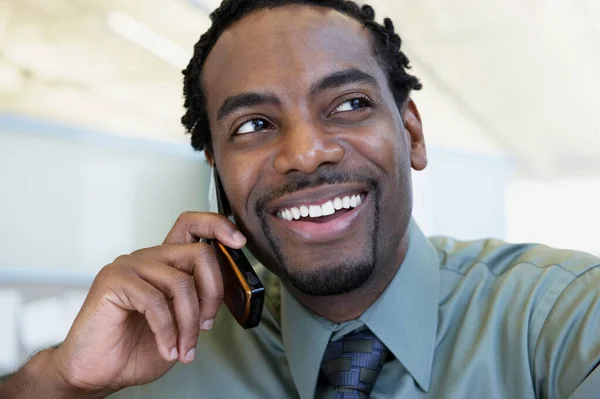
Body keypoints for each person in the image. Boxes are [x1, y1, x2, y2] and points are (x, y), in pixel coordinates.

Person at [2, 0, 600, 398]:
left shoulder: (563, 322)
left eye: (349, 105)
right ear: (217, 174)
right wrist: (62, 382)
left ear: (412, 133)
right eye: (253, 126)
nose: (306, 153)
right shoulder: (166, 354)